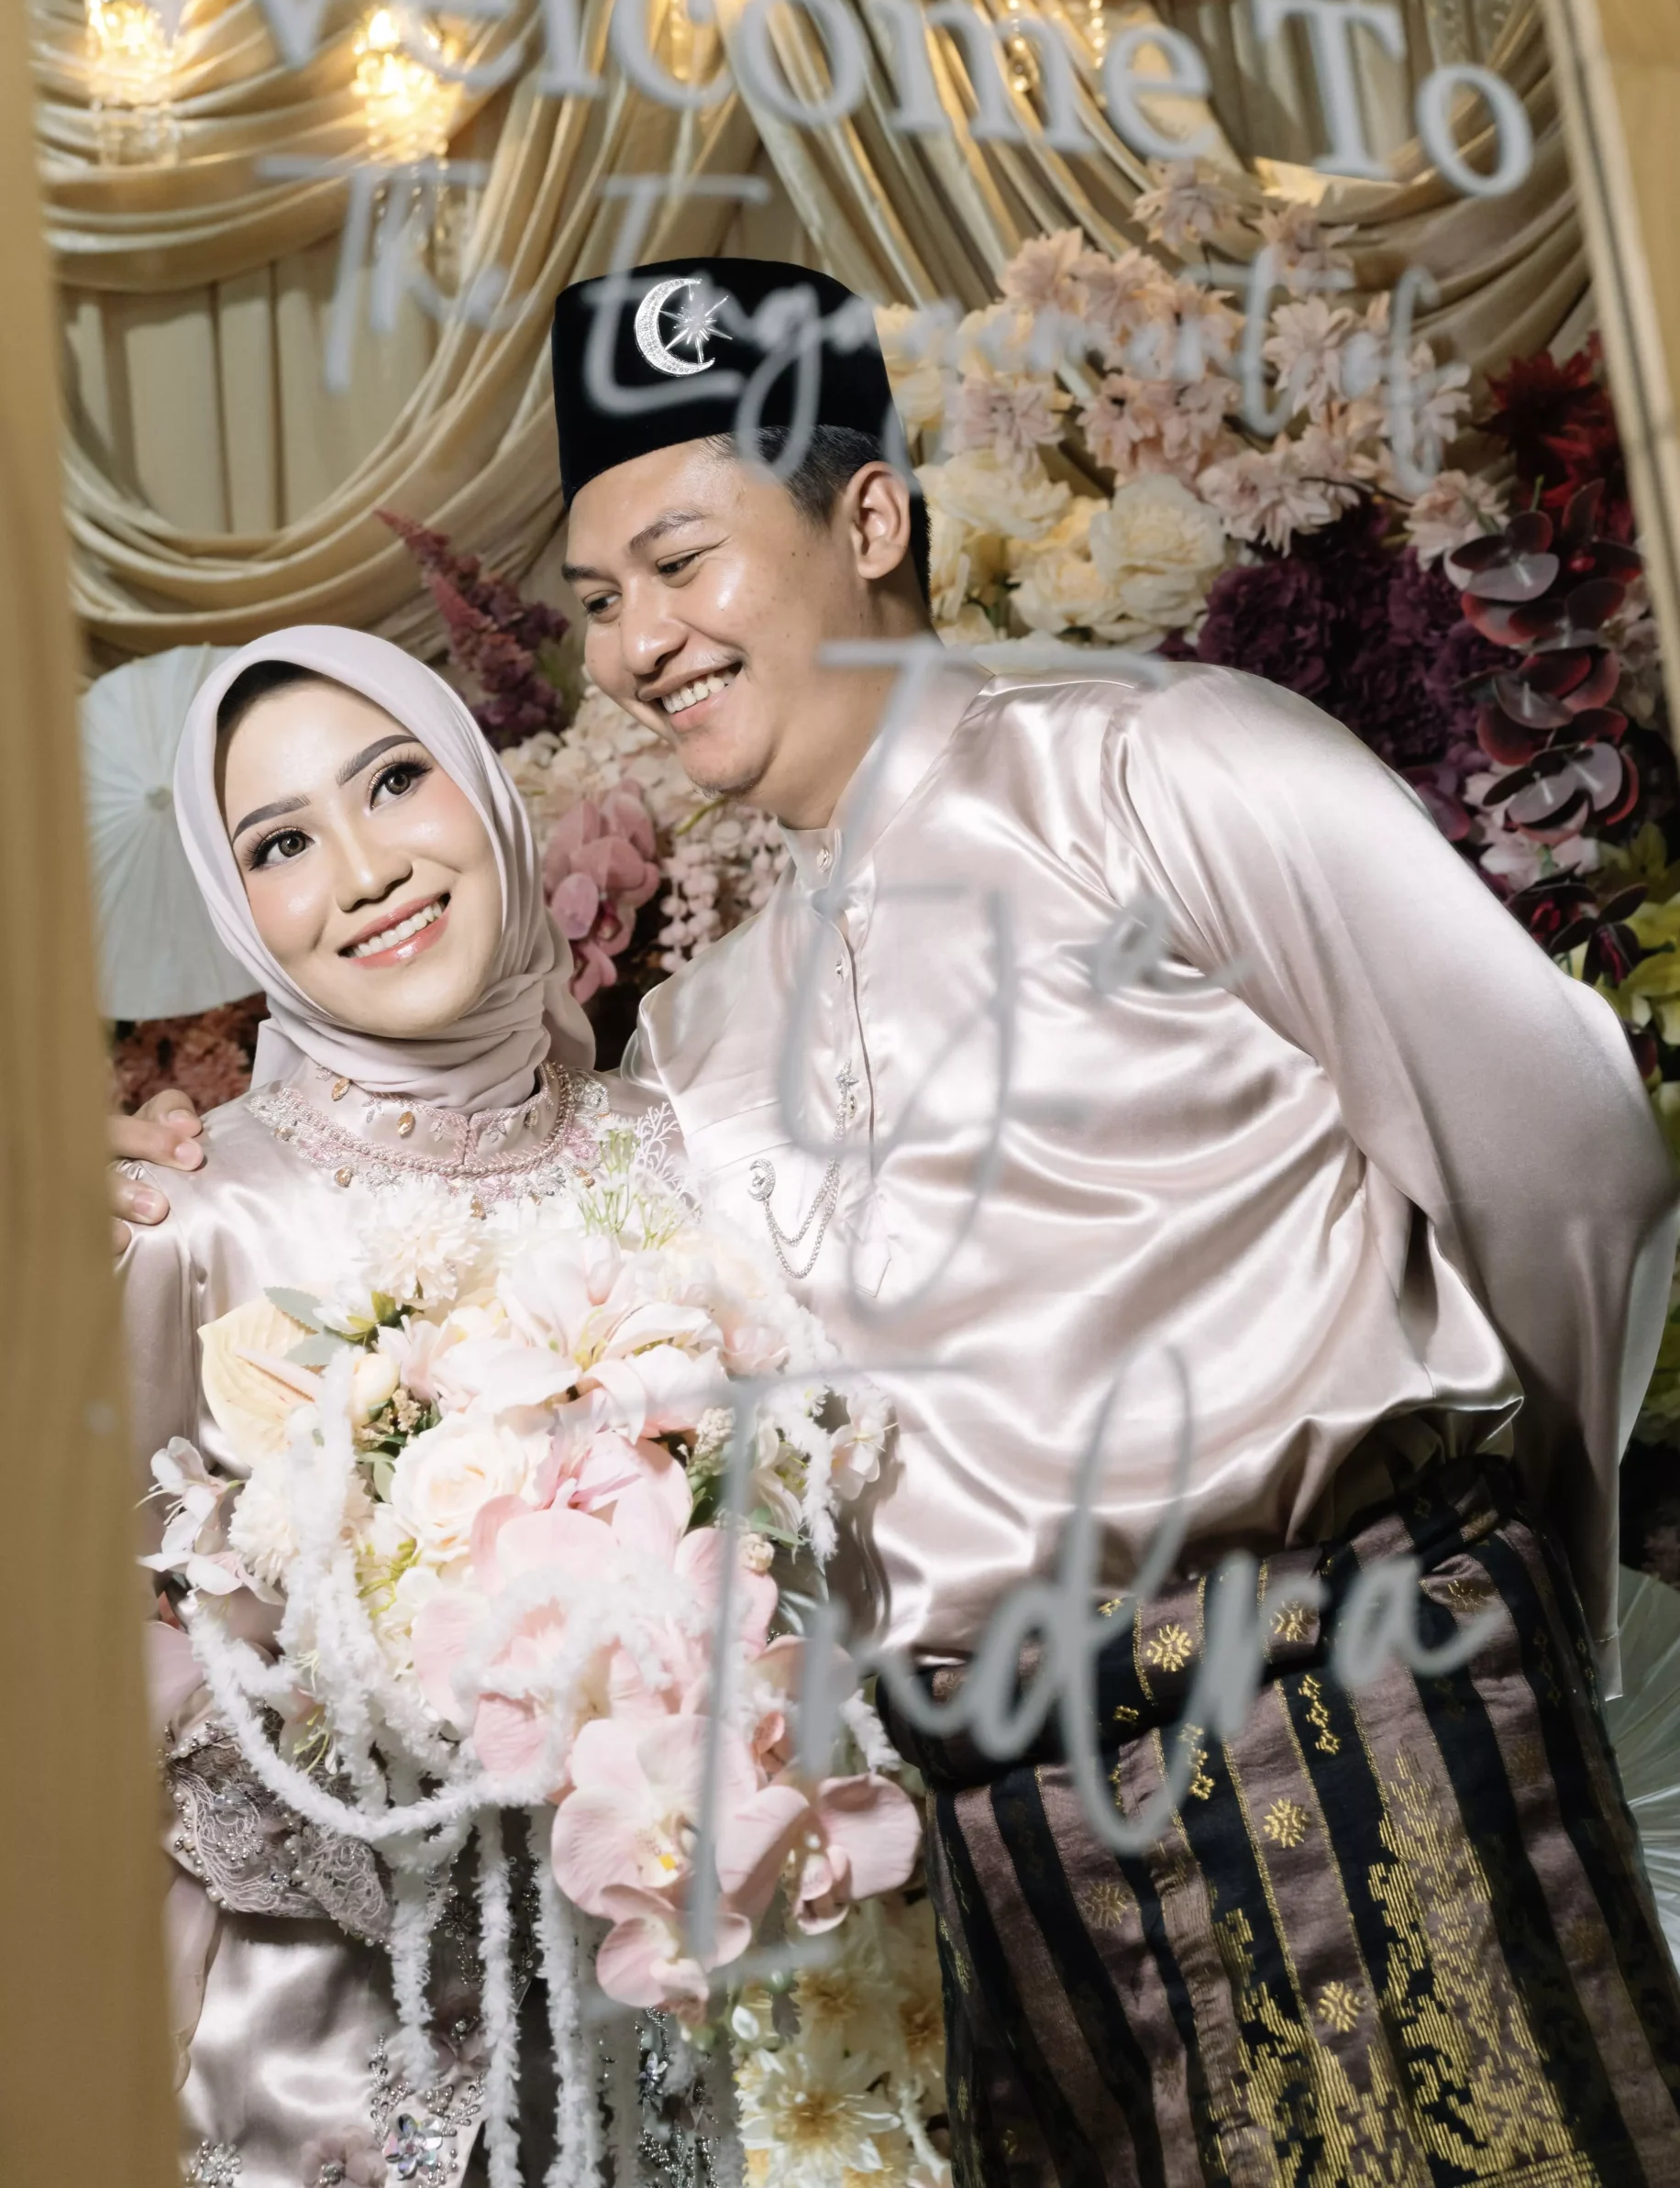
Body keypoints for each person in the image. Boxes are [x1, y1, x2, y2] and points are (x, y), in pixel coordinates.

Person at [547, 259, 1680, 2177]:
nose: (635, 645)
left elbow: (1571, 1151)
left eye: (679, 561)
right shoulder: (693, 1032)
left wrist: (1521, 1564)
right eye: (594, 603)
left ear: (871, 519)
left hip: (1350, 1727)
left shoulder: (1161, 765)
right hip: (1009, 1861)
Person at [118, 625, 592, 2188]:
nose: (368, 871)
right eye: (281, 844)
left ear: (487, 789)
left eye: (395, 781)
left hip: (698, 2042)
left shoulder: (676, 1144)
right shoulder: (192, 1224)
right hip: (335, 2092)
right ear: (234, 902)